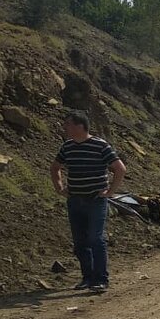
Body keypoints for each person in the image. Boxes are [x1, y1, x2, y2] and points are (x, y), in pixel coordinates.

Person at [50, 111, 126, 292]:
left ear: (80, 126)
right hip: (75, 200)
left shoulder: (100, 145)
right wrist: (60, 188)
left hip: (95, 201)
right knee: (80, 241)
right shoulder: (67, 147)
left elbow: (119, 168)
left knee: (95, 238)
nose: (65, 127)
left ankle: (101, 279)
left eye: (68, 124)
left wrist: (110, 192)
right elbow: (55, 168)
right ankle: (87, 277)